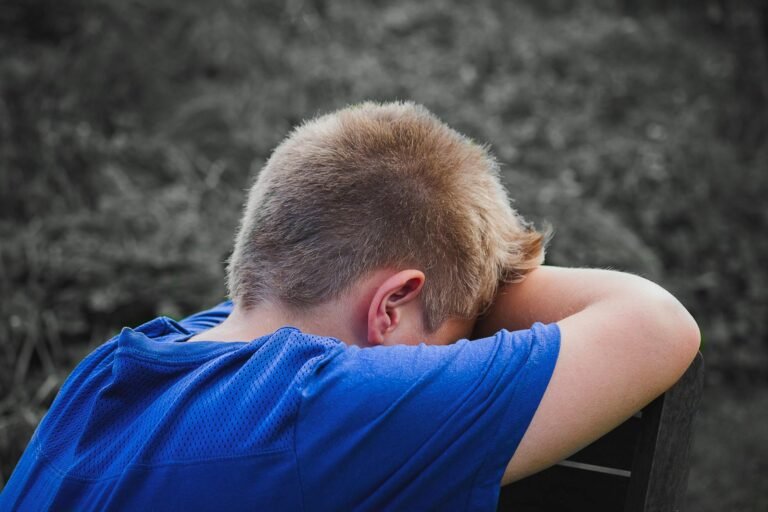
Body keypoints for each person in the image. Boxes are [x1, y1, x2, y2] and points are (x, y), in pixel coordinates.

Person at [0, 102, 700, 511]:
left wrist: (462, 280)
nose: (445, 364)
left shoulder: (109, 372)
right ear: (393, 305)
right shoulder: (323, 407)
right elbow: (657, 324)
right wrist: (489, 278)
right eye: (451, 342)